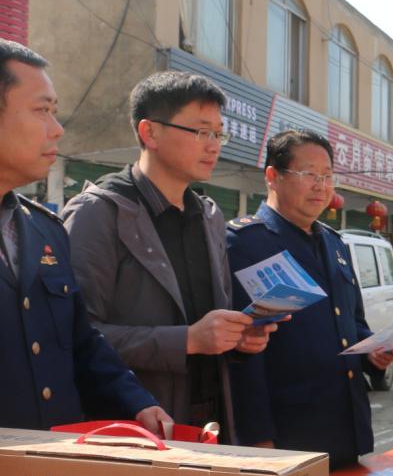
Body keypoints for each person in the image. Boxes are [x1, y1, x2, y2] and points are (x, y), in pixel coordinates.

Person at [62, 72, 273, 437]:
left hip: (209, 423)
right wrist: (187, 340)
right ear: (150, 133)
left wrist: (236, 340)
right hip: (135, 428)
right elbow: (75, 336)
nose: (214, 145)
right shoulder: (98, 213)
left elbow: (207, 324)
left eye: (219, 133)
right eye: (201, 131)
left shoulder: (208, 215)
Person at [0, 39, 169, 433]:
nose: (57, 129)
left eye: (55, 112)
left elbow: (79, 339)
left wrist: (137, 402)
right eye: (42, 110)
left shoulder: (45, 229)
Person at [226, 129, 393, 464]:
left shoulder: (335, 243)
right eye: (309, 175)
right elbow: (244, 355)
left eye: (328, 176)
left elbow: (351, 323)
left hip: (345, 426)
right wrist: (259, 438)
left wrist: (372, 352)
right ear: (272, 177)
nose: (321, 186)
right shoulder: (244, 243)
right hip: (289, 435)